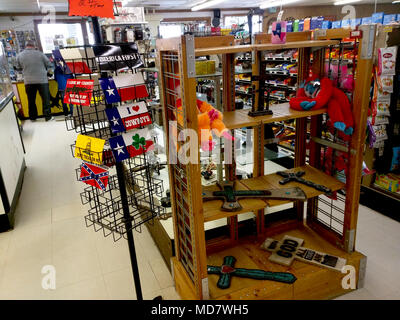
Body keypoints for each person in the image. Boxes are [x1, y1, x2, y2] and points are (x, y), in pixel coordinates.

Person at [16, 40, 53, 121]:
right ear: (34, 46)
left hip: (28, 81)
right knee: (45, 100)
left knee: (31, 100)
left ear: (26, 46)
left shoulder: (20, 55)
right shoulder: (40, 54)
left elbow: (18, 68)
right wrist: (48, 73)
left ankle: (32, 118)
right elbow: (49, 65)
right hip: (42, 80)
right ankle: (48, 117)